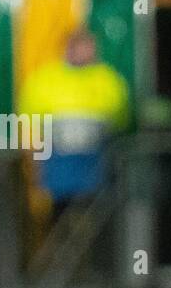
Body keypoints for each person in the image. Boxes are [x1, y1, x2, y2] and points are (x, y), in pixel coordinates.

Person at [18, 29, 131, 214]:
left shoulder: (109, 79)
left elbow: (121, 123)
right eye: (81, 47)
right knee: (58, 218)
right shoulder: (44, 79)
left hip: (97, 169)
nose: (86, 52)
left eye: (89, 47)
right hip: (57, 170)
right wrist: (34, 166)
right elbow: (29, 126)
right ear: (67, 48)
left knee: (95, 218)